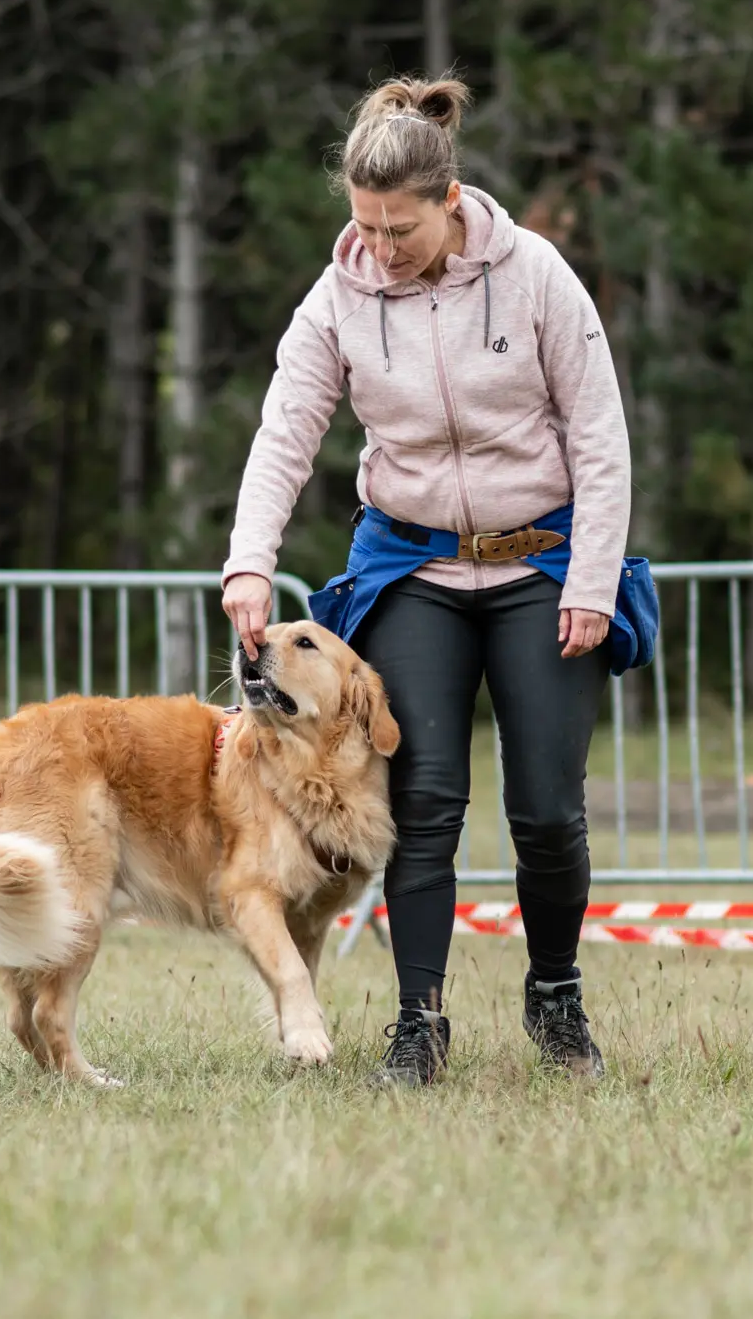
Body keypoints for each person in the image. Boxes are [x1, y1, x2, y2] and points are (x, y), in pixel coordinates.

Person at [218, 73, 633, 1087]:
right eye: (362, 225)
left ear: (448, 203)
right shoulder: (339, 296)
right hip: (410, 562)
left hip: (539, 558)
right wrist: (248, 560)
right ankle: (419, 1021)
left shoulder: (533, 275)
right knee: (425, 794)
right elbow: (285, 434)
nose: (379, 247)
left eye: (397, 228)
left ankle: (553, 991)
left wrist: (590, 580)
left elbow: (598, 435)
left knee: (544, 806)